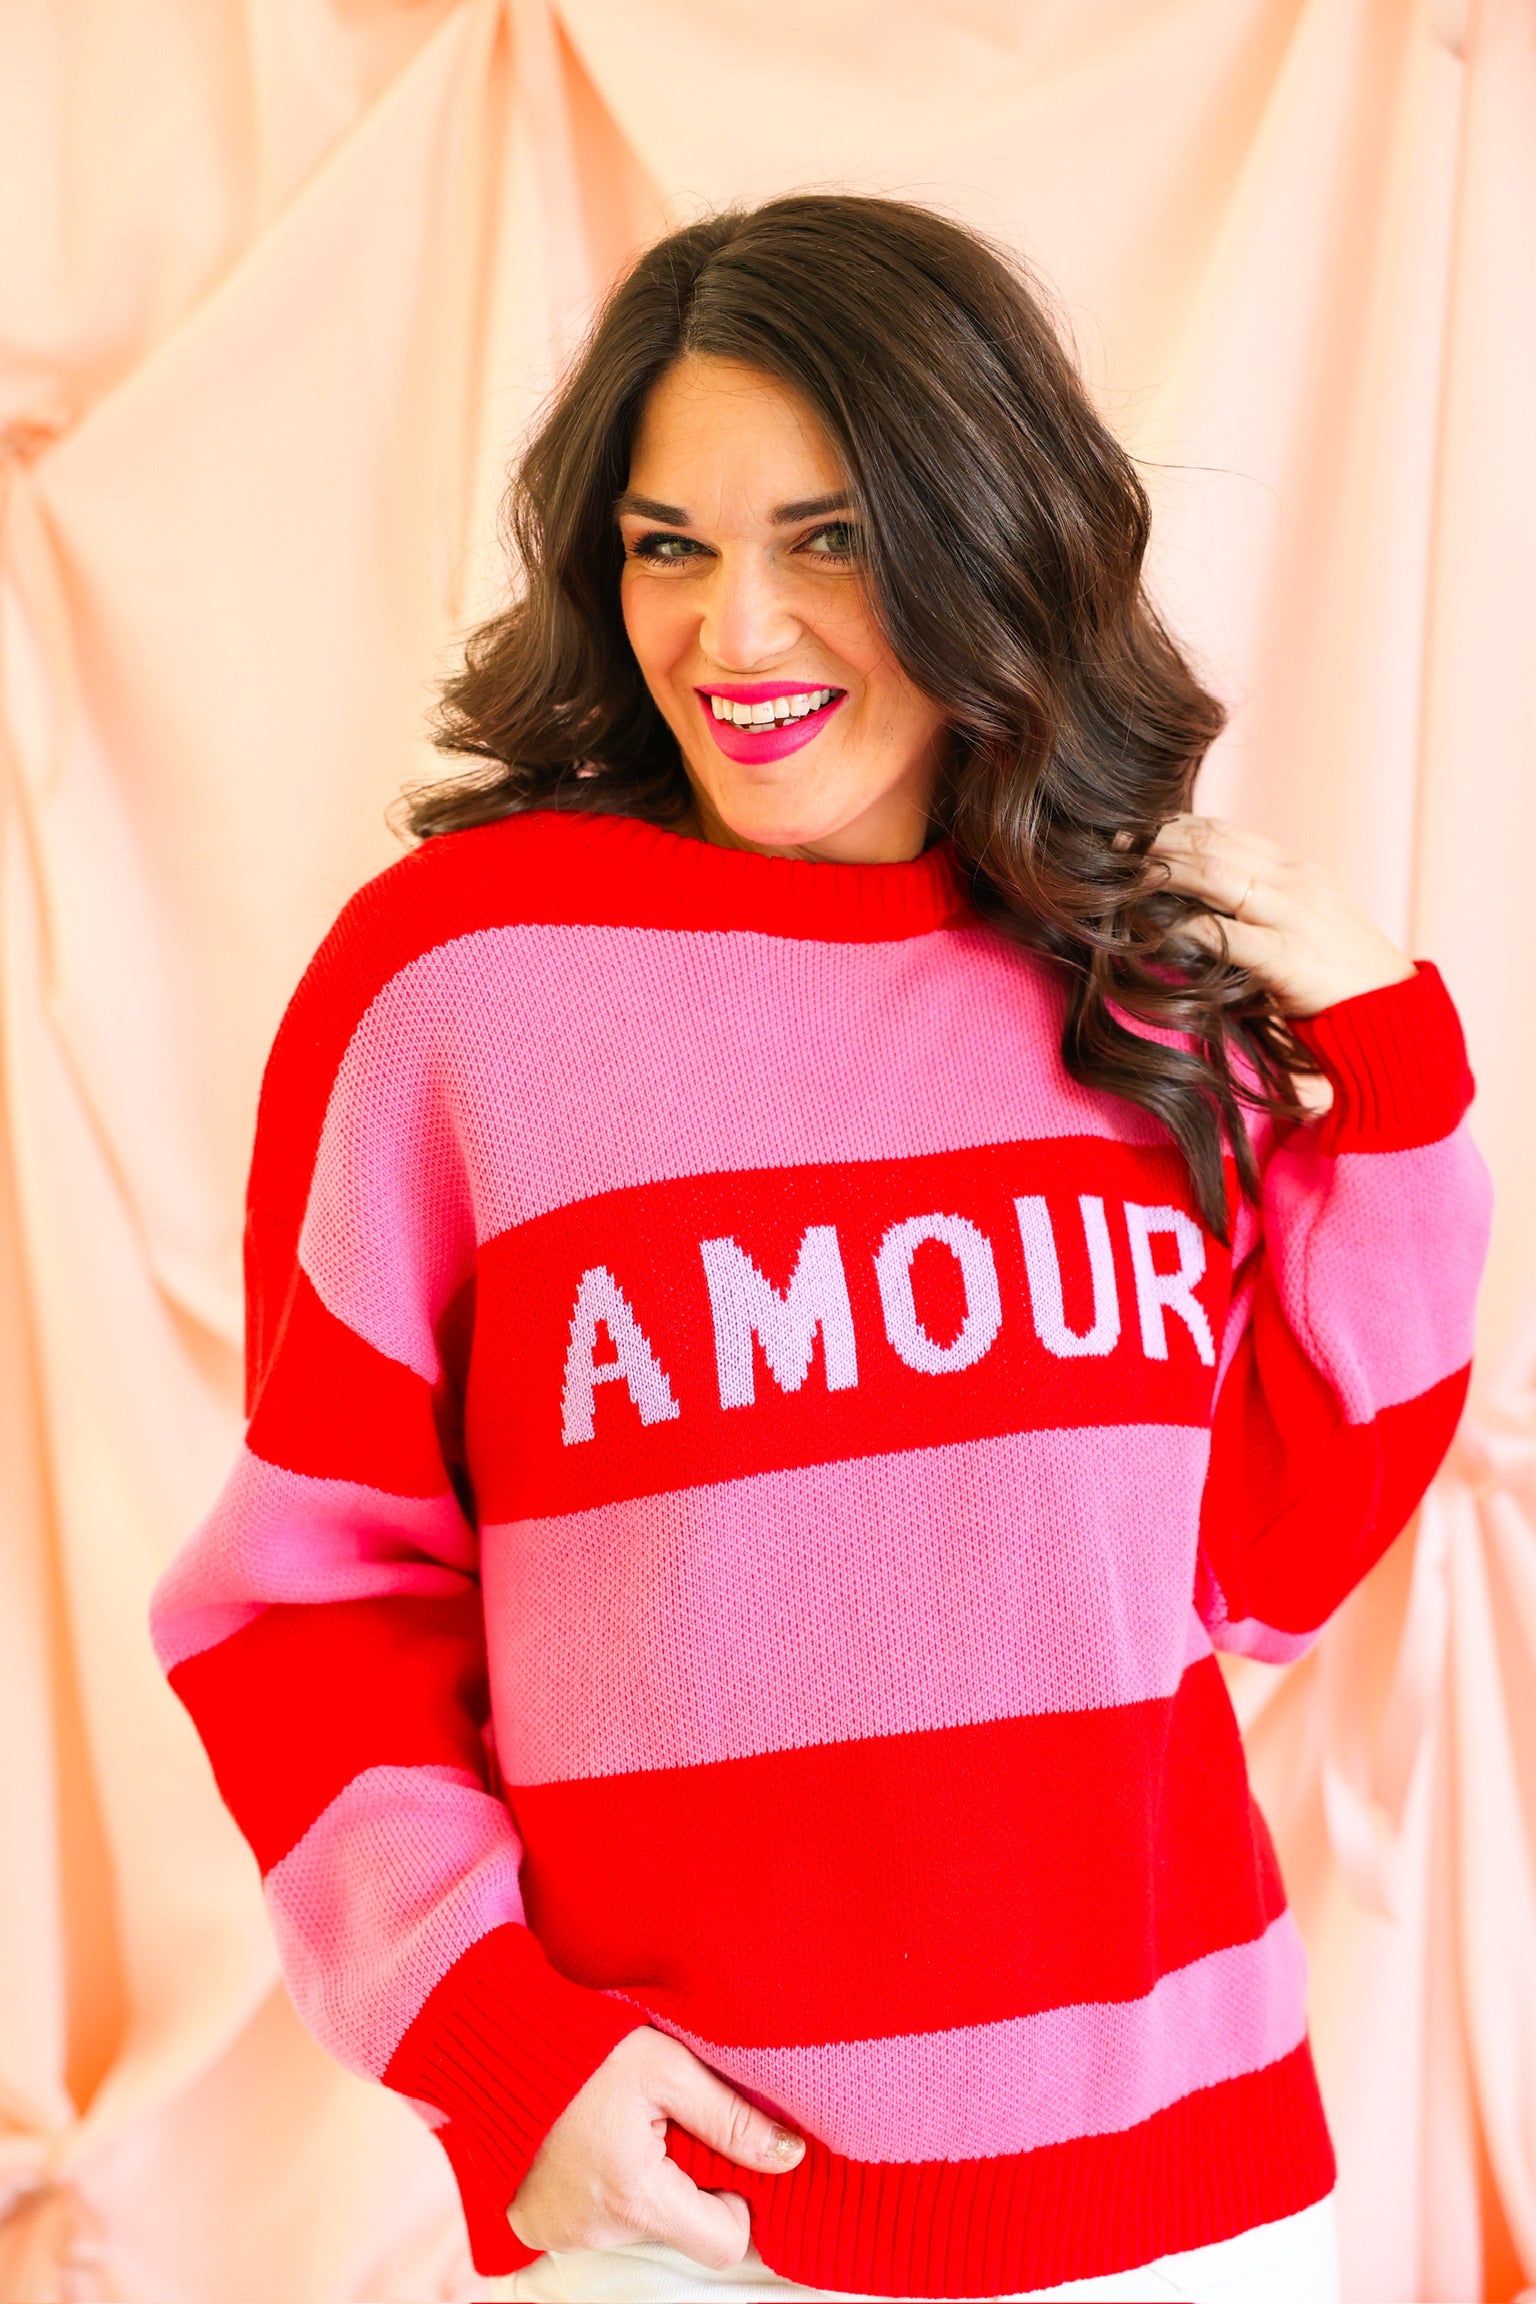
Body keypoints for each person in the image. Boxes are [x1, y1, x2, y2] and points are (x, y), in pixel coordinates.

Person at [150, 196, 1490, 2303]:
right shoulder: (464, 986)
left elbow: (1263, 1569)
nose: (736, 631)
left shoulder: (1140, 985)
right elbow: (306, 1612)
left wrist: (1392, 1080)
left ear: (984, 536)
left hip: (1193, 2207)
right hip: (689, 2211)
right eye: (669, 544)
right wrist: (504, 2053)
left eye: (833, 537)